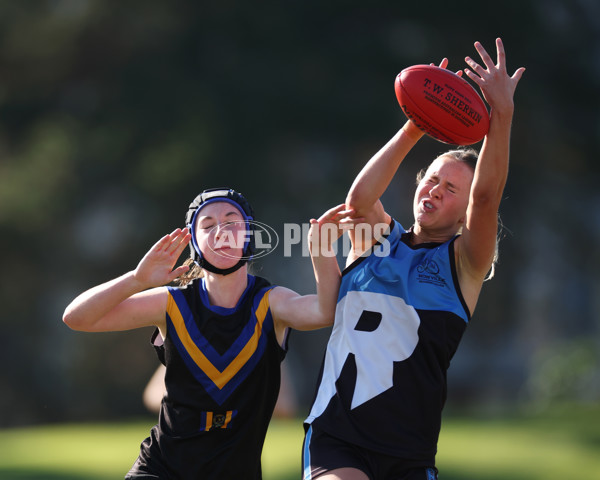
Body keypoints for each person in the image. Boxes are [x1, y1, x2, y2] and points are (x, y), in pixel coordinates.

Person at [302, 38, 525, 480]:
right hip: (338, 434)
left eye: (451, 189)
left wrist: (503, 113)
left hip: (409, 450)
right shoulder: (377, 239)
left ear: (463, 213)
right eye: (433, 179)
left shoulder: (464, 264)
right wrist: (415, 125)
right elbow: (360, 198)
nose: (435, 190)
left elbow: (485, 197)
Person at [63, 187, 354, 480]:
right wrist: (137, 280)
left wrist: (322, 249)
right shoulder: (171, 303)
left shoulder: (270, 302)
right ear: (195, 242)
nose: (221, 232)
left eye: (231, 222)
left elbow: (324, 312)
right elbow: (77, 317)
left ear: (249, 235)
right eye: (208, 225)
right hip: (160, 471)